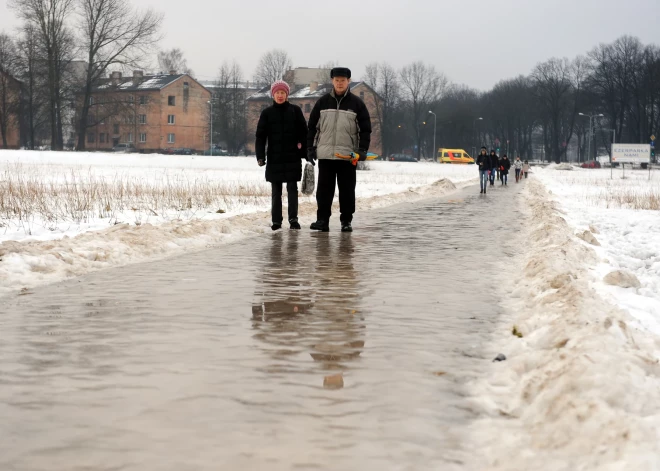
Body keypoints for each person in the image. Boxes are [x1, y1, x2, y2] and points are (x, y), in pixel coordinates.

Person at [306, 67, 371, 232]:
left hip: (347, 156)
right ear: (332, 81)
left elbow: (365, 129)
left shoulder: (357, 104)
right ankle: (322, 220)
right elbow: (312, 127)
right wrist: (310, 147)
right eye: (337, 80)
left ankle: (346, 221)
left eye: (343, 80)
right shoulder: (322, 102)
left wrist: (362, 150)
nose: (340, 83)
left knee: (347, 190)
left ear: (349, 81)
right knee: (324, 191)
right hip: (326, 154)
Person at [255, 80, 308, 230]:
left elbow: (304, 133)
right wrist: (260, 156)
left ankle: (293, 219)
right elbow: (260, 137)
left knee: (292, 189)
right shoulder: (267, 113)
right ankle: (276, 221)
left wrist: (305, 152)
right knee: (276, 191)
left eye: (282, 93)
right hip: (274, 157)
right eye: (277, 93)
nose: (280, 95)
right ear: (273, 95)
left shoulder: (295, 111)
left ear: (287, 95)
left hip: (292, 156)